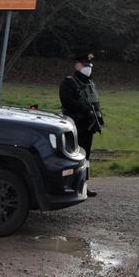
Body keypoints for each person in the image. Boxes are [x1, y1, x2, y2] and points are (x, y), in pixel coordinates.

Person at [59, 52, 104, 196]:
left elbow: (95, 102)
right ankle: (67, 186)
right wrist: (85, 110)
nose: (88, 68)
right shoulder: (69, 82)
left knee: (86, 157)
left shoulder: (90, 83)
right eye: (85, 65)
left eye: (90, 65)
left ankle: (83, 186)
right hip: (74, 125)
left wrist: (98, 116)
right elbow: (67, 101)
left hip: (88, 126)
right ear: (77, 65)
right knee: (73, 157)